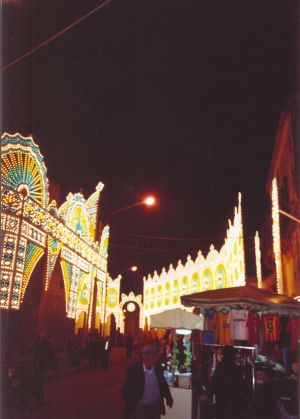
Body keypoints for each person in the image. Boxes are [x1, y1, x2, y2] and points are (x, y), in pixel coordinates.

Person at [123, 344, 173, 419]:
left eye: (156, 356)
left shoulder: (157, 368)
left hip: (155, 408)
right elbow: (126, 390)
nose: (155, 359)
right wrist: (132, 404)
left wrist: (169, 397)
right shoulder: (134, 370)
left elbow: (162, 384)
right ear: (144, 357)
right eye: (153, 356)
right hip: (140, 409)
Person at [211, 345, 243, 419]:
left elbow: (214, 382)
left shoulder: (220, 366)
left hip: (222, 399)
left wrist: (215, 393)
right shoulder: (236, 368)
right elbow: (241, 385)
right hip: (233, 400)